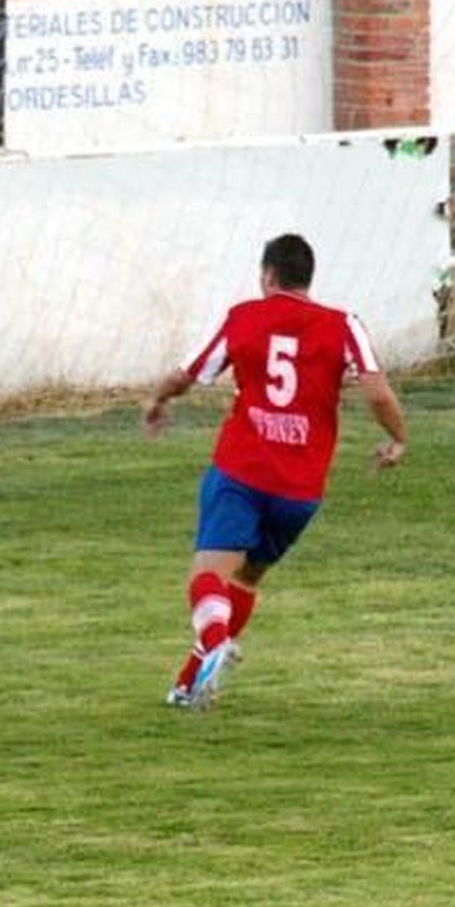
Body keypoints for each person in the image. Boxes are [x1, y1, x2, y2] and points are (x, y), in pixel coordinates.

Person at [143, 233, 408, 710]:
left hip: (242, 472)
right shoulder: (344, 325)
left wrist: (158, 398)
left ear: (268, 275)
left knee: (206, 579)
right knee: (244, 580)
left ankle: (218, 642)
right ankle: (188, 685)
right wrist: (398, 438)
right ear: (308, 278)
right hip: (300, 490)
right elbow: (377, 392)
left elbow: (188, 374)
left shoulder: (244, 317)